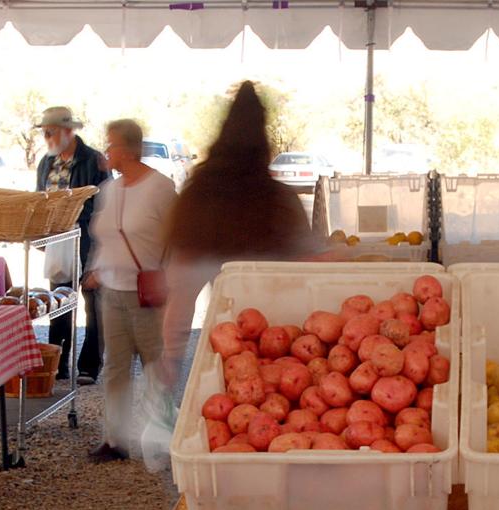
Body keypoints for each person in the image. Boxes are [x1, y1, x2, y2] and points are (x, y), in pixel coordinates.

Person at [160, 81, 315, 390]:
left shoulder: (197, 198)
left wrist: (169, 365)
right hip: (284, 354)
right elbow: (311, 268)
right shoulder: (279, 201)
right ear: (264, 141)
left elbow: (181, 294)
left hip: (224, 352)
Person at [85, 119, 177, 462]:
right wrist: (96, 270)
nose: (106, 152)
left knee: (156, 366)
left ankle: (162, 437)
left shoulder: (160, 187)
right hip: (111, 291)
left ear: (127, 149)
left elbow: (175, 240)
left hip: (146, 292)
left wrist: (169, 279)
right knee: (115, 368)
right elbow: (105, 235)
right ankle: (115, 439)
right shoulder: (110, 189)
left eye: (110, 145)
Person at [34, 106, 110, 384]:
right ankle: (58, 364)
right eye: (44, 133)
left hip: (89, 239)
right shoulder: (46, 163)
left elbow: (106, 204)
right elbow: (39, 198)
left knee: (94, 306)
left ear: (67, 132)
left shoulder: (93, 160)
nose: (46, 138)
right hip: (58, 241)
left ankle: (89, 367)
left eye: (50, 132)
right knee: (59, 303)